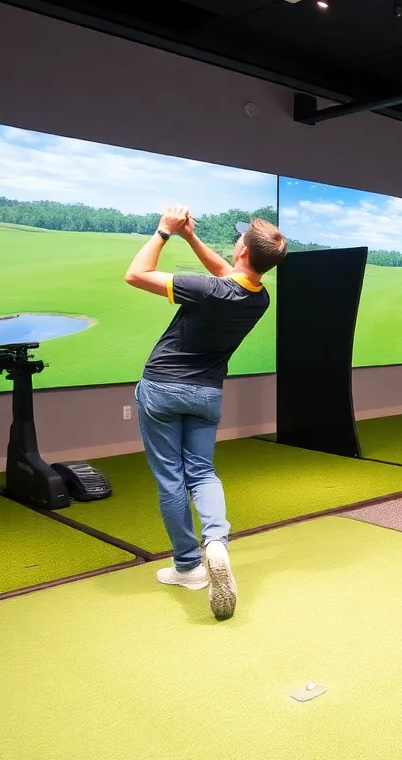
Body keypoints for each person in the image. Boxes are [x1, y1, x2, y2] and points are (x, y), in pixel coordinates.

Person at [124, 207, 288, 619]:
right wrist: (191, 238)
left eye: (239, 240)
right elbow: (228, 274)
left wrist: (165, 231)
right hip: (207, 394)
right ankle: (215, 542)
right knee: (202, 472)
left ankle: (187, 567)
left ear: (243, 252)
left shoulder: (206, 290)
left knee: (170, 477)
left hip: (163, 387)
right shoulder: (259, 297)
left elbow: (136, 273)